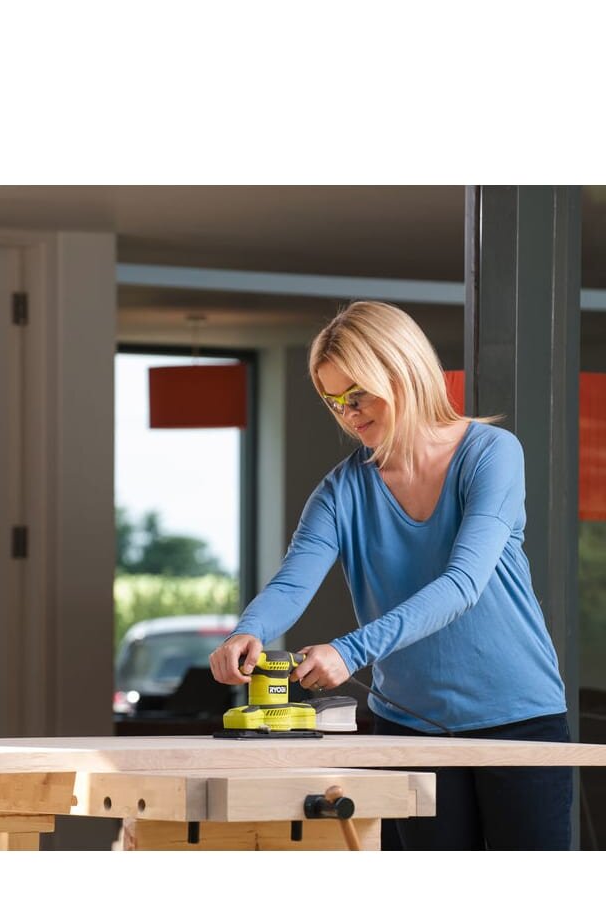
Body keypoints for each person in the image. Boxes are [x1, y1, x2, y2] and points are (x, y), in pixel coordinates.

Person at [208, 301, 572, 850]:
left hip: (520, 721)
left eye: (357, 394)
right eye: (334, 400)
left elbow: (463, 584)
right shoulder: (340, 491)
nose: (348, 414)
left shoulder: (492, 454)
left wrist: (350, 651)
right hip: (408, 728)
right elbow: (291, 583)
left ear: (402, 372)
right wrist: (247, 631)